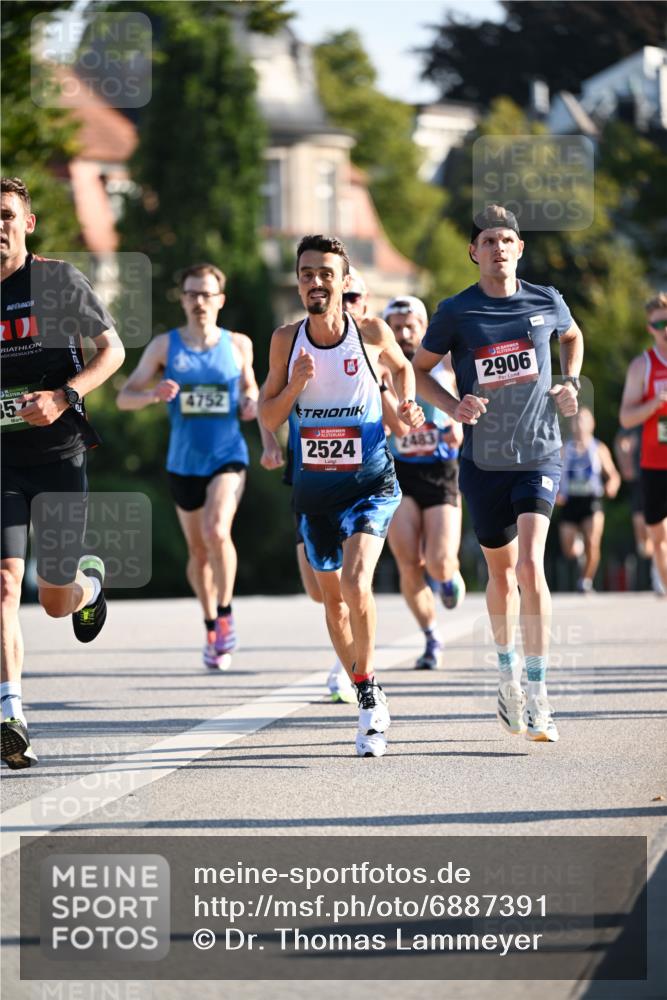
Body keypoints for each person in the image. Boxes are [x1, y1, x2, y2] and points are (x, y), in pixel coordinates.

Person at [414, 204, 584, 743]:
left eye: (506, 239)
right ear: (473, 251)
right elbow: (418, 372)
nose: (498, 248)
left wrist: (570, 381)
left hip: (538, 452)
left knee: (533, 566)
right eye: (487, 240)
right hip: (483, 461)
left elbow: (573, 337)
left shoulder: (546, 299)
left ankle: (539, 693)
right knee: (502, 574)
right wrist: (453, 404)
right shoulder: (456, 312)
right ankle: (507, 674)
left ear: (519, 248)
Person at [259, 235, 423, 757]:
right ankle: (361, 686)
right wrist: (294, 386)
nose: (315, 282)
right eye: (307, 273)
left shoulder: (370, 331)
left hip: (371, 482)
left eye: (326, 273)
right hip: (315, 491)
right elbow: (267, 416)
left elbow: (401, 368)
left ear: (343, 280)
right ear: (299, 279)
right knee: (333, 603)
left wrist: (408, 401)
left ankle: (371, 698)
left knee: (356, 581)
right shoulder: (286, 341)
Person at [1, 176, 125, 769]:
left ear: (27, 223)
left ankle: (88, 587)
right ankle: (10, 713)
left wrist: (63, 396)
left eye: (6, 215)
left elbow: (113, 351)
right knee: (4, 583)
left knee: (53, 600)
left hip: (56, 453)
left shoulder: (55, 281)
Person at [117, 263, 259, 668]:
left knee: (217, 530)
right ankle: (210, 622)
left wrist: (249, 403)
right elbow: (125, 396)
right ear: (182, 299)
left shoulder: (238, 345)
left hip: (228, 457)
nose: (199, 301)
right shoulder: (165, 347)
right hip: (183, 463)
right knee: (198, 554)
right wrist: (153, 395)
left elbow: (249, 388)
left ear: (220, 300)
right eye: (192, 293)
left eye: (207, 294)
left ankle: (227, 615)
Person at [381, 295, 465, 671]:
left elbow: (461, 403)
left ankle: (447, 577)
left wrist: (459, 428)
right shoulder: (379, 370)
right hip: (398, 472)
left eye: (409, 325)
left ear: (422, 328)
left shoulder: (442, 364)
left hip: (440, 469)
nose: (403, 333)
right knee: (408, 560)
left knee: (439, 561)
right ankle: (431, 635)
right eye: (395, 327)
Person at [619, 292, 667, 595]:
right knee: (658, 537)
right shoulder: (643, 366)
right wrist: (653, 405)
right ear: (650, 328)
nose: (666, 328)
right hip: (655, 462)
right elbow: (625, 418)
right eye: (659, 323)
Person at [556, 406, 620, 593]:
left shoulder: (598, 448)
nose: (579, 424)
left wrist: (611, 486)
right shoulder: (563, 449)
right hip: (569, 501)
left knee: (593, 541)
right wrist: (556, 492)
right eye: (576, 420)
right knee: (568, 549)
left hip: (592, 500)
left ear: (592, 424)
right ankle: (578, 551)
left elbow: (613, 475)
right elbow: (553, 476)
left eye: (584, 420)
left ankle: (585, 580)